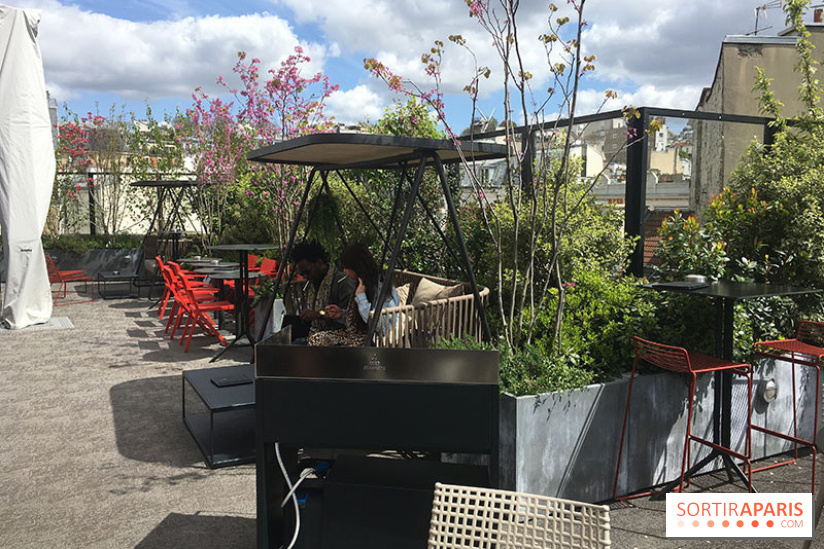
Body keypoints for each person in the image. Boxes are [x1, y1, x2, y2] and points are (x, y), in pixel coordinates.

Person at [308, 242, 400, 347]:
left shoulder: (380, 286)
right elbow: (359, 318)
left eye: (346, 267)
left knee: (345, 346)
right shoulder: (362, 282)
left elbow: (377, 323)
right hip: (354, 333)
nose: (344, 271)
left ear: (355, 267)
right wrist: (341, 314)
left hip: (373, 336)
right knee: (316, 339)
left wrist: (361, 298)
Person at [282, 241, 355, 341]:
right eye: (303, 274)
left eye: (307, 272)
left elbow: (350, 321)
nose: (306, 277)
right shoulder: (313, 284)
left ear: (319, 263)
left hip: (337, 340)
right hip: (313, 336)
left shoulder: (341, 282)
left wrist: (319, 315)